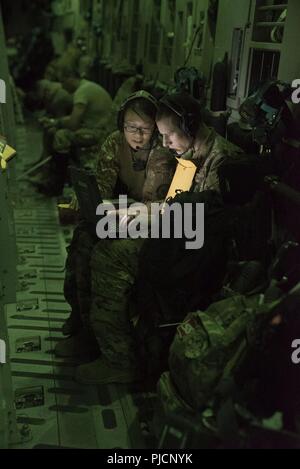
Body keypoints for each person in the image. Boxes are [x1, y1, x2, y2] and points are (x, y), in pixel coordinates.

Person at [73, 92, 244, 385]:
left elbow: (203, 226)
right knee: (93, 237)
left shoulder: (222, 161)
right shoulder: (189, 153)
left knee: (110, 254)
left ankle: (120, 360)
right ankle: (94, 337)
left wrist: (149, 223)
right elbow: (171, 205)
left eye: (169, 135)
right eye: (161, 135)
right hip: (177, 233)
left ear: (190, 127)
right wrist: (133, 214)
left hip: (193, 249)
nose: (164, 143)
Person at [55, 91, 176, 361]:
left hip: (150, 219)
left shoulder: (162, 151)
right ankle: (80, 316)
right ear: (121, 123)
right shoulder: (114, 142)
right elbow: (102, 183)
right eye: (130, 127)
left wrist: (119, 212)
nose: (137, 134)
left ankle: (96, 336)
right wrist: (90, 200)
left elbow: (152, 203)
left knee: (104, 252)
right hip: (122, 207)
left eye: (145, 128)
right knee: (83, 239)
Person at [31, 65, 113, 195]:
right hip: (97, 130)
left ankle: (56, 184)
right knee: (56, 132)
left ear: (70, 78)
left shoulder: (82, 92)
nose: (62, 87)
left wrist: (57, 124)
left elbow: (73, 123)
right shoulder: (87, 87)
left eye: (63, 82)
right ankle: (51, 176)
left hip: (98, 134)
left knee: (61, 136)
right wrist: (55, 122)